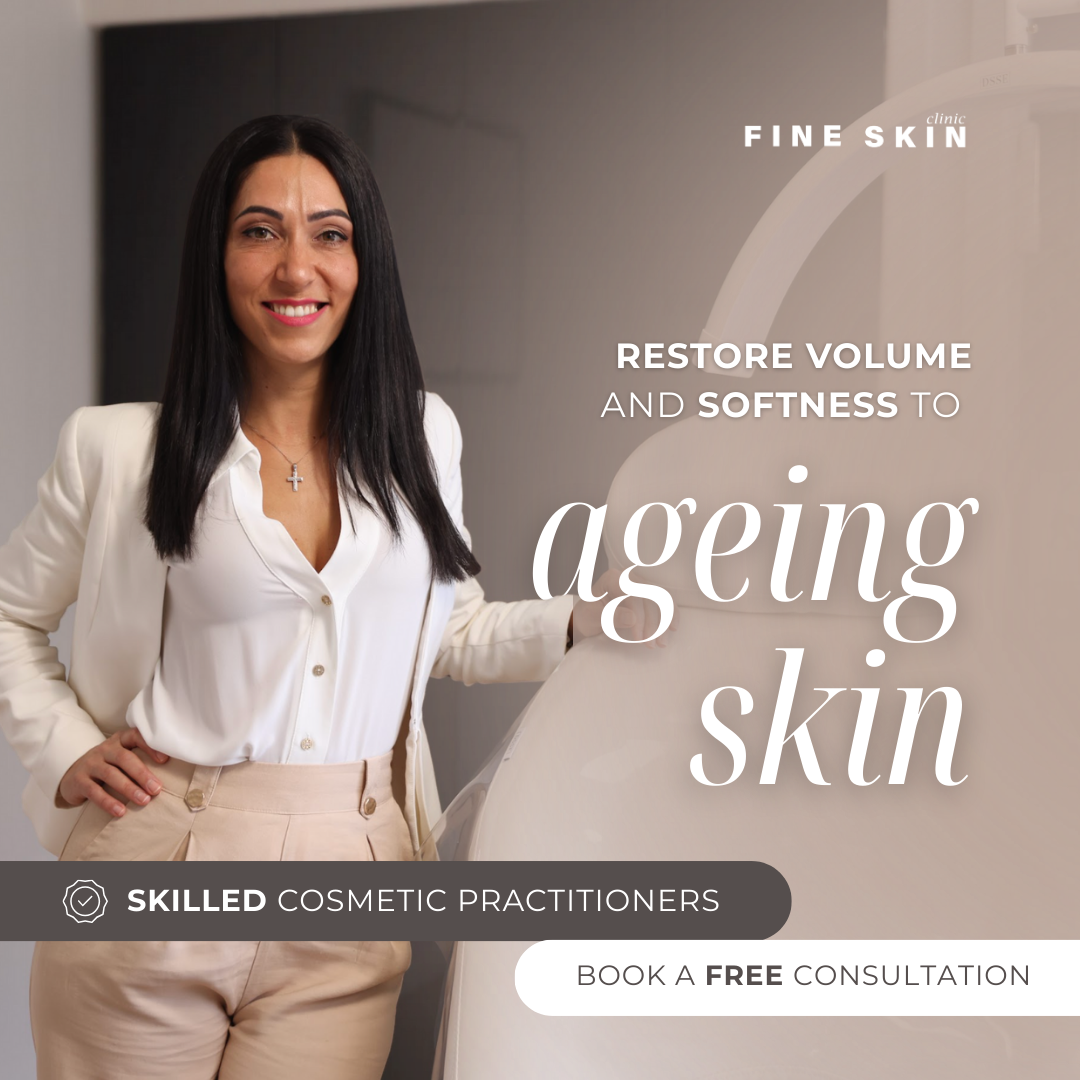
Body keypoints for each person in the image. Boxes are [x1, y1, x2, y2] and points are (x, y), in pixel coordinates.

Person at [0, 114, 606, 1080]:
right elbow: (9, 615)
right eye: (258, 231)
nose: (297, 269)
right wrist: (66, 749)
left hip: (356, 870)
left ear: (364, 261)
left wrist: (583, 624)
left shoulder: (422, 437)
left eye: (329, 233)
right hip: (161, 856)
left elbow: (446, 628)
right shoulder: (119, 450)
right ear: (217, 255)